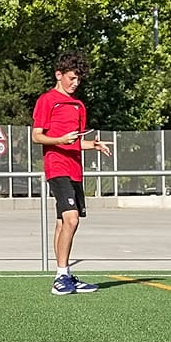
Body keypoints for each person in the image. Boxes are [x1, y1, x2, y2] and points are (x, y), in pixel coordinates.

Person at [32, 51, 113, 295]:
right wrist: (59, 139)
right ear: (59, 75)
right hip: (56, 168)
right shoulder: (47, 100)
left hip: (76, 171)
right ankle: (61, 276)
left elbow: (74, 142)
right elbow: (37, 136)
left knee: (62, 222)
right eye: (71, 78)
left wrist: (93, 145)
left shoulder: (79, 106)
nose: (75, 83)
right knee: (72, 219)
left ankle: (64, 275)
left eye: (78, 79)